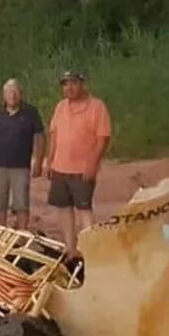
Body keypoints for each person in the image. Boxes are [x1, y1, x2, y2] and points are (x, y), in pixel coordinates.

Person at [46, 70, 112, 258]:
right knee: (63, 207)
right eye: (65, 84)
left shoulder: (97, 106)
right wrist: (49, 161)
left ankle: (90, 250)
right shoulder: (60, 107)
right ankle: (71, 248)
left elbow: (103, 138)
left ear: (82, 84)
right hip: (60, 166)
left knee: (84, 209)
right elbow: (54, 135)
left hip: (82, 169)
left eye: (73, 83)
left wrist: (93, 164)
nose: (69, 87)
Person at [0, 78, 45, 230]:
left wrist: (39, 161)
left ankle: (22, 232)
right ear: (4, 95)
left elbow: (39, 137)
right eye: (9, 92)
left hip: (21, 166)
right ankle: (1, 231)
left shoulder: (31, 112)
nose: (12, 96)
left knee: (21, 203)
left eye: (15, 92)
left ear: (21, 94)